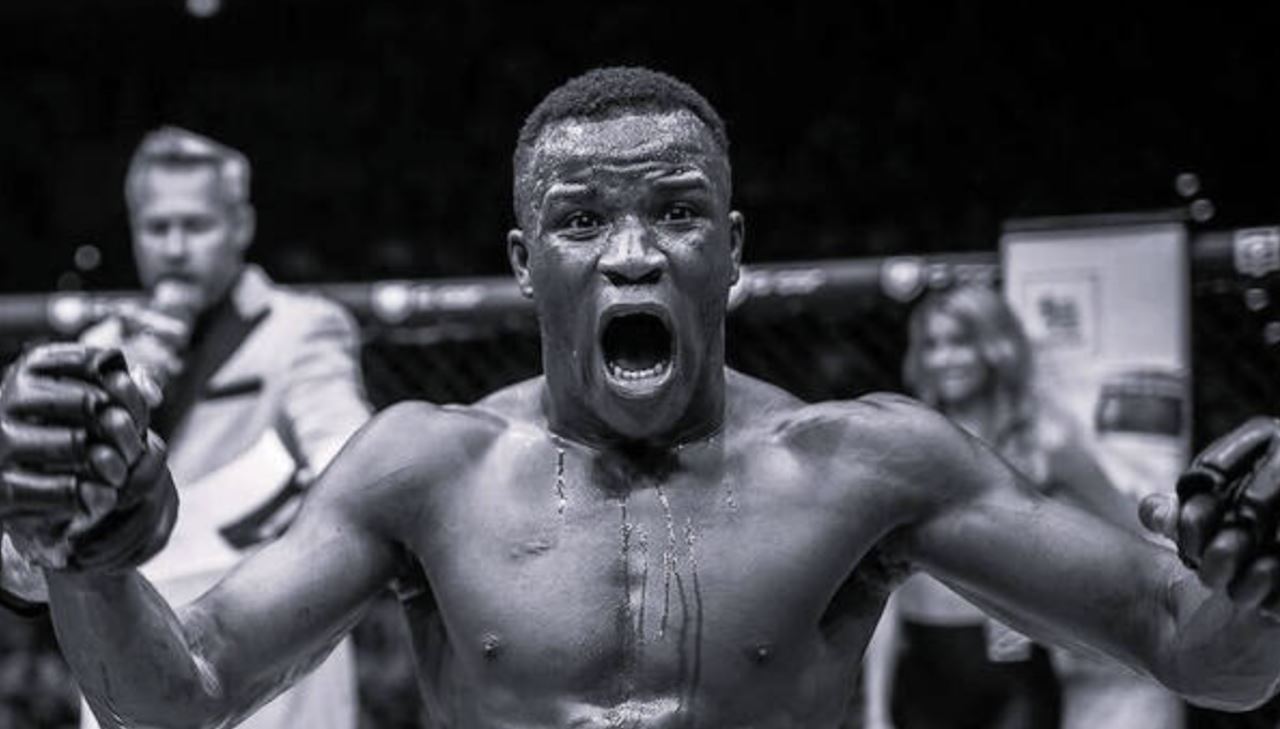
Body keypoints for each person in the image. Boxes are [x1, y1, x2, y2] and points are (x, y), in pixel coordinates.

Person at [1, 66, 1280, 729]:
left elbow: (1191, 651)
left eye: (675, 212)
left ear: (731, 250)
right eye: (580, 220)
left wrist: (1264, 583)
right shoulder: (422, 472)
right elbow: (178, 695)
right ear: (524, 263)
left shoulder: (866, 464)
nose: (629, 253)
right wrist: (86, 557)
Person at [0, 127, 371, 729]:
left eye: (196, 226)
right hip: (124, 662)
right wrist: (30, 533)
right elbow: (33, 570)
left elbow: (348, 449)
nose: (175, 247)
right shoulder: (96, 351)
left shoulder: (300, 329)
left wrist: (350, 476)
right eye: (157, 227)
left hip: (267, 673)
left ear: (241, 226)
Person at [864, 284, 1179, 729]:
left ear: (996, 346)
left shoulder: (1043, 440)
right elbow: (885, 589)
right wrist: (874, 709)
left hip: (1014, 667)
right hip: (924, 668)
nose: (944, 359)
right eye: (932, 345)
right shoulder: (909, 438)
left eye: (960, 342)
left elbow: (1127, 525)